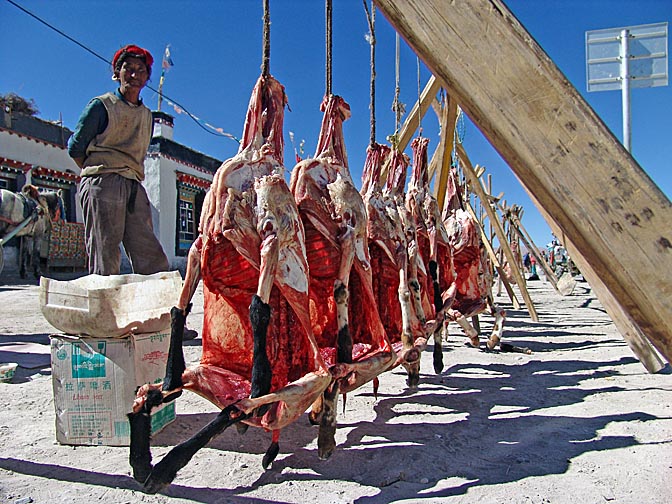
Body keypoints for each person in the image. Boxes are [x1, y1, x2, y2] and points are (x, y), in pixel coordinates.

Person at [68, 44, 169, 276]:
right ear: (117, 73)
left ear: (147, 77)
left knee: (150, 254)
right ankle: (104, 311)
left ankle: (155, 310)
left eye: (141, 70)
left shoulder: (146, 116)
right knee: (105, 253)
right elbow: (76, 148)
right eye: (128, 68)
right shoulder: (101, 106)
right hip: (103, 182)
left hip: (134, 183)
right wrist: (100, 173)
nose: (134, 75)